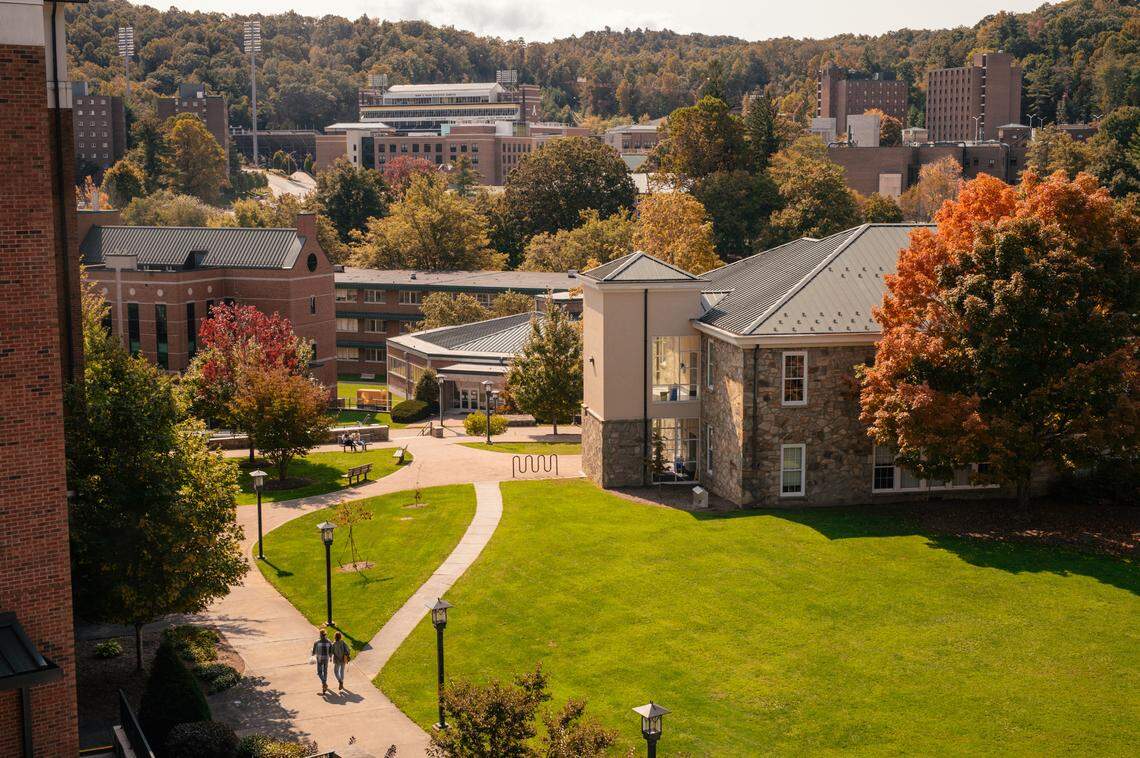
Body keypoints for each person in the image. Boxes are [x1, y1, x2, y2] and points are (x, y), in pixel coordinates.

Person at [312, 629, 333, 693]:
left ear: (320, 634)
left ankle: (324, 684)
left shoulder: (317, 642)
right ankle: (324, 685)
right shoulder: (329, 641)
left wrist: (312, 654)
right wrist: (331, 657)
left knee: (319, 672)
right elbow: (330, 651)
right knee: (325, 671)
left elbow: (313, 652)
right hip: (326, 658)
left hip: (319, 659)